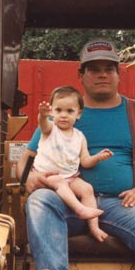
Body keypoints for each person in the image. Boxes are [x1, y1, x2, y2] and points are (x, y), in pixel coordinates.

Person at [17, 39, 135, 270]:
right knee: (39, 201)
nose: (102, 74)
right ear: (80, 75)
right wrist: (31, 177)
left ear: (119, 74)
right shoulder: (60, 117)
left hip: (124, 206)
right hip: (67, 202)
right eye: (94, 69)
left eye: (109, 68)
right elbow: (25, 160)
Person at [33, 85, 113, 241]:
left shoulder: (79, 136)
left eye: (69, 111)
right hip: (48, 176)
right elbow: (43, 124)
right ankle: (80, 209)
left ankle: (94, 227)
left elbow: (85, 161)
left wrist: (98, 157)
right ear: (52, 112)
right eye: (58, 110)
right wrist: (42, 116)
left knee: (87, 189)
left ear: (78, 114)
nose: (63, 115)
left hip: (70, 176)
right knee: (60, 183)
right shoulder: (50, 130)